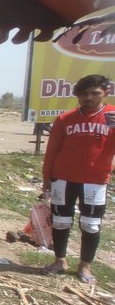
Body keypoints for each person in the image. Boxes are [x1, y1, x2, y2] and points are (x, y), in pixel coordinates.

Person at [41, 74, 113, 285]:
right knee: (61, 222)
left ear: (105, 93)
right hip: (63, 179)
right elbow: (52, 151)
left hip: (95, 180)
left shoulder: (112, 117)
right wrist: (47, 178)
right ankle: (60, 261)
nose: (88, 98)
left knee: (91, 225)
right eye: (84, 94)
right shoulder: (65, 119)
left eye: (94, 93)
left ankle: (85, 265)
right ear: (77, 96)